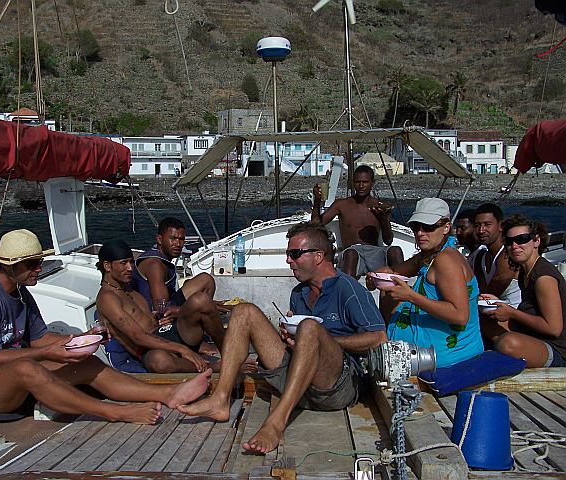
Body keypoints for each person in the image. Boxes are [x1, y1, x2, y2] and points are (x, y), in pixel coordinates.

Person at [0, 229, 211, 423]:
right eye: (32, 264)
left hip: (11, 381)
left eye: (40, 262)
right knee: (27, 367)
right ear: (9, 266)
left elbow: (40, 339)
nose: (39, 269)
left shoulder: (19, 290)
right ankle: (116, 413)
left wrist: (82, 338)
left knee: (86, 362)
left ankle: (168, 393)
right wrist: (45, 354)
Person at [178, 222, 387, 454]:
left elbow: (378, 338)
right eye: (288, 254)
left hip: (337, 386)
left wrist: (319, 340)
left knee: (309, 327)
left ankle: (276, 423)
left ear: (318, 256)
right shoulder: (299, 293)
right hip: (300, 378)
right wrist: (289, 338)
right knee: (243, 311)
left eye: (294, 254)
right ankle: (220, 399)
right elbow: (302, 341)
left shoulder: (348, 289)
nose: (288, 260)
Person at [371, 198, 484, 368]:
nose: (420, 233)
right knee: (389, 288)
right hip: (441, 347)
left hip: (446, 356)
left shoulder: (446, 260)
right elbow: (395, 273)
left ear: (446, 228)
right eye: (416, 227)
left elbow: (460, 316)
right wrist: (378, 276)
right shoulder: (429, 254)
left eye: (429, 227)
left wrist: (412, 297)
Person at [96, 239, 225, 374]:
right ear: (107, 266)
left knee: (201, 300)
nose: (130, 268)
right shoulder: (107, 298)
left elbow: (147, 318)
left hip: (166, 332)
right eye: (123, 263)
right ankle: (215, 367)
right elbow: (138, 337)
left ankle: (228, 354)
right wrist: (182, 349)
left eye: (131, 262)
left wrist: (165, 319)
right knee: (160, 362)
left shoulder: (126, 288)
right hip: (149, 348)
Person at [481, 215, 566, 368]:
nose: (514, 246)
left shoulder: (543, 278)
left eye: (522, 239)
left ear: (536, 241)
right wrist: (499, 303)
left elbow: (553, 328)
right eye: (509, 241)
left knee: (509, 344)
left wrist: (512, 313)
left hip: (557, 349)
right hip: (534, 335)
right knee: (482, 319)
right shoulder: (525, 272)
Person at [311, 165, 403, 279]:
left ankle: (402, 291)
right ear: (352, 183)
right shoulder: (341, 205)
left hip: (374, 252)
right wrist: (317, 201)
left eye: (365, 182)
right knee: (351, 254)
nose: (361, 186)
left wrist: (385, 220)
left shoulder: (379, 206)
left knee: (395, 250)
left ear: (372, 183)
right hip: (352, 252)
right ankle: (348, 293)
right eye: (357, 182)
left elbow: (388, 241)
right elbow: (315, 225)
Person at [471, 203, 521, 307]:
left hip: (515, 315)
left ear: (501, 226)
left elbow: (498, 282)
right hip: (494, 312)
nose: (481, 230)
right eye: (477, 225)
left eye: (487, 224)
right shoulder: (483, 257)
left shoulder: (507, 253)